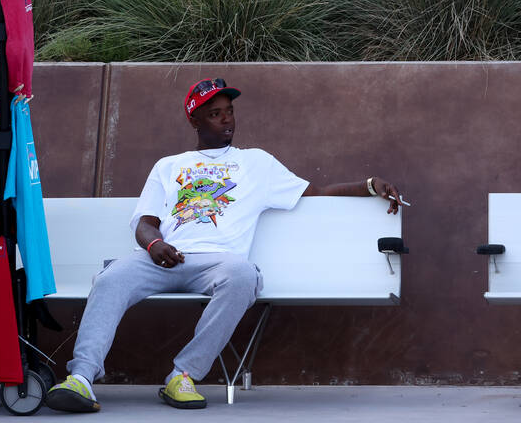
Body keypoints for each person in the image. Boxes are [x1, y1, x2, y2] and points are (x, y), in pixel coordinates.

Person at [45, 78, 403, 413]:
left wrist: (370, 185)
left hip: (218, 264)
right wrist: (154, 245)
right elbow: (145, 222)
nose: (226, 121)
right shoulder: (170, 166)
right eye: (215, 114)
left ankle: (182, 376)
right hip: (162, 257)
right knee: (109, 279)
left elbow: (316, 193)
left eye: (229, 112)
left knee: (243, 275)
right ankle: (81, 378)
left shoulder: (257, 163)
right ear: (195, 121)